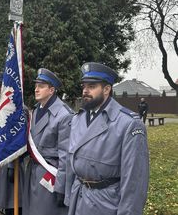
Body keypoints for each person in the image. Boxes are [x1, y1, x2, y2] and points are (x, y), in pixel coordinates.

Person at [65, 62, 149, 215]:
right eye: (84, 86)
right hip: (79, 199)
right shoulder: (78, 119)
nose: (85, 91)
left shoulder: (128, 123)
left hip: (106, 204)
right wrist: (68, 197)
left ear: (106, 89)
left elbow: (134, 181)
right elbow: (71, 161)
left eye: (92, 86)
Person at [23, 68, 74, 215]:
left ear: (51, 90)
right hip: (33, 170)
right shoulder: (37, 110)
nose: (36, 89)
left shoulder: (64, 115)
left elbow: (66, 156)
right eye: (36, 86)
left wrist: (62, 186)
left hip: (51, 174)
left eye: (41, 86)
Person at [0, 72, 25, 215]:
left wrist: (11, 165)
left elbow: (18, 141)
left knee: (12, 201)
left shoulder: (19, 110)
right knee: (1, 200)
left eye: (2, 85)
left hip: (10, 162)